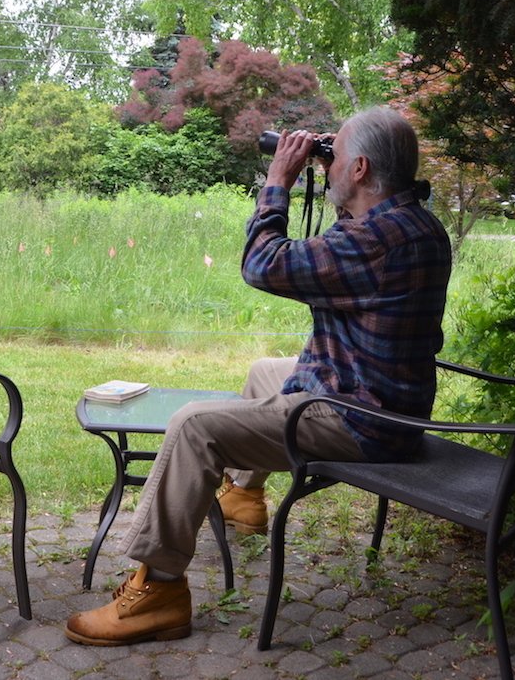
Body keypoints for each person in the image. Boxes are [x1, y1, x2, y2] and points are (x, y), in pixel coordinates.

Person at [65, 106, 452, 647]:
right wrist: (333, 175)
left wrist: (278, 183)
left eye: (334, 156)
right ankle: (244, 498)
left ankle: (161, 590)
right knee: (264, 372)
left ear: (361, 169)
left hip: (363, 419)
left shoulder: (378, 241)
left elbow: (262, 264)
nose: (328, 163)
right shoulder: (414, 222)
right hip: (380, 391)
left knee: (195, 424)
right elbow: (347, 250)